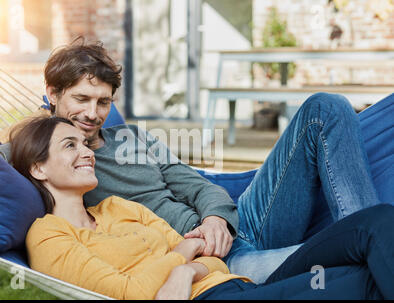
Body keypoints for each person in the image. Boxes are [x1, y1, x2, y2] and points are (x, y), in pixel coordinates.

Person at [41, 38, 381, 283]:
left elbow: (200, 187)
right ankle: (361, 246)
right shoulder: (47, 155)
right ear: (53, 94)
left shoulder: (133, 138)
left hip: (241, 220)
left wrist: (217, 219)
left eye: (103, 102)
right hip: (213, 260)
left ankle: (357, 232)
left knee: (325, 107)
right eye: (81, 98)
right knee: (349, 270)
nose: (92, 113)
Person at [10, 116, 393, 300]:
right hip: (205, 302)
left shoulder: (117, 206)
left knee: (377, 224)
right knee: (365, 279)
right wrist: (184, 252)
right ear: (38, 167)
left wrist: (188, 265)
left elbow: (213, 261)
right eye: (70, 146)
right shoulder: (48, 233)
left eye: (85, 144)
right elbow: (132, 297)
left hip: (231, 282)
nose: (87, 153)